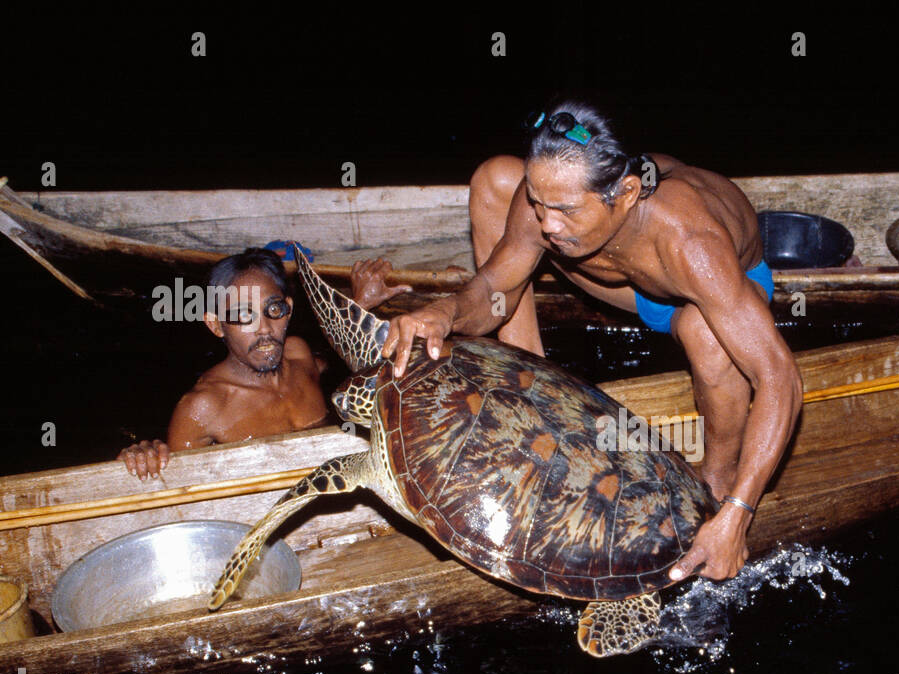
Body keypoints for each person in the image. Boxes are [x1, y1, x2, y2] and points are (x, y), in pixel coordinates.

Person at [380, 100, 803, 582]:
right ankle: (532, 399)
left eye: (563, 209)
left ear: (625, 193)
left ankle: (718, 482)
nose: (546, 223)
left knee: (704, 331)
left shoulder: (691, 241)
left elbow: (780, 376)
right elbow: (496, 288)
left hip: (697, 288)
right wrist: (446, 311)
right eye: (539, 203)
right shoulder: (547, 208)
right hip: (619, 278)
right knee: (495, 177)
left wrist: (739, 512)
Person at [118, 250, 410, 479]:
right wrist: (146, 455)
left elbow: (339, 358)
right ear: (216, 325)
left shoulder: (299, 356)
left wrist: (360, 303)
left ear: (289, 309)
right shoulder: (203, 407)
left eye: (273, 309)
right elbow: (179, 487)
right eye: (243, 315)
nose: (264, 328)